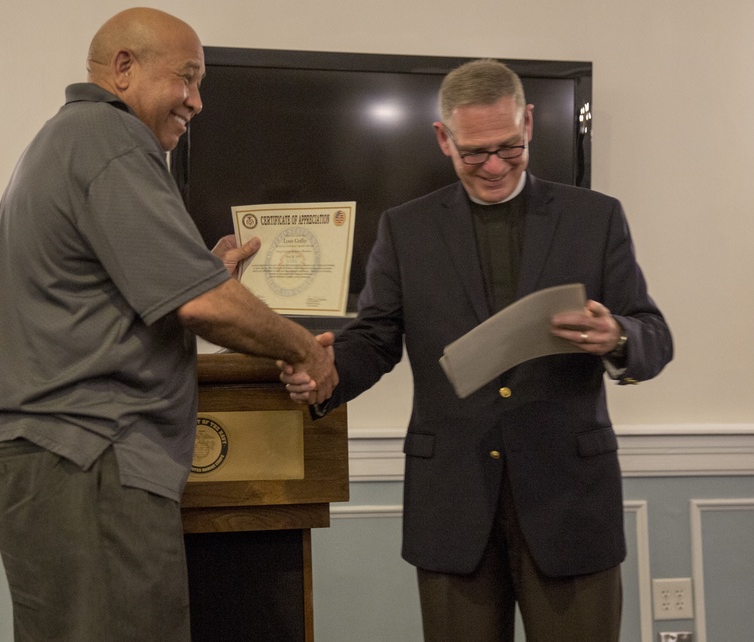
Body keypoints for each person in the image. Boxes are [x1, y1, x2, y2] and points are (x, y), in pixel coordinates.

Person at [0, 8, 336, 641]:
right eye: (186, 78)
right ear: (124, 69)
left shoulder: (67, 140)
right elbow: (202, 307)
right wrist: (306, 349)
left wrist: (202, 270)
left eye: (202, 84)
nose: (196, 101)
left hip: (57, 455)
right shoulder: (109, 140)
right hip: (89, 454)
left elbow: (145, 294)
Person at [282, 59, 673, 642]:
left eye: (509, 147)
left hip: (570, 501)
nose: (493, 165)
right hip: (453, 503)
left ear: (530, 123)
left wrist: (617, 336)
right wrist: (326, 372)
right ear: (443, 138)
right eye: (474, 152)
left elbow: (654, 336)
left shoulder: (595, 218)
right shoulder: (405, 229)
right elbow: (375, 338)